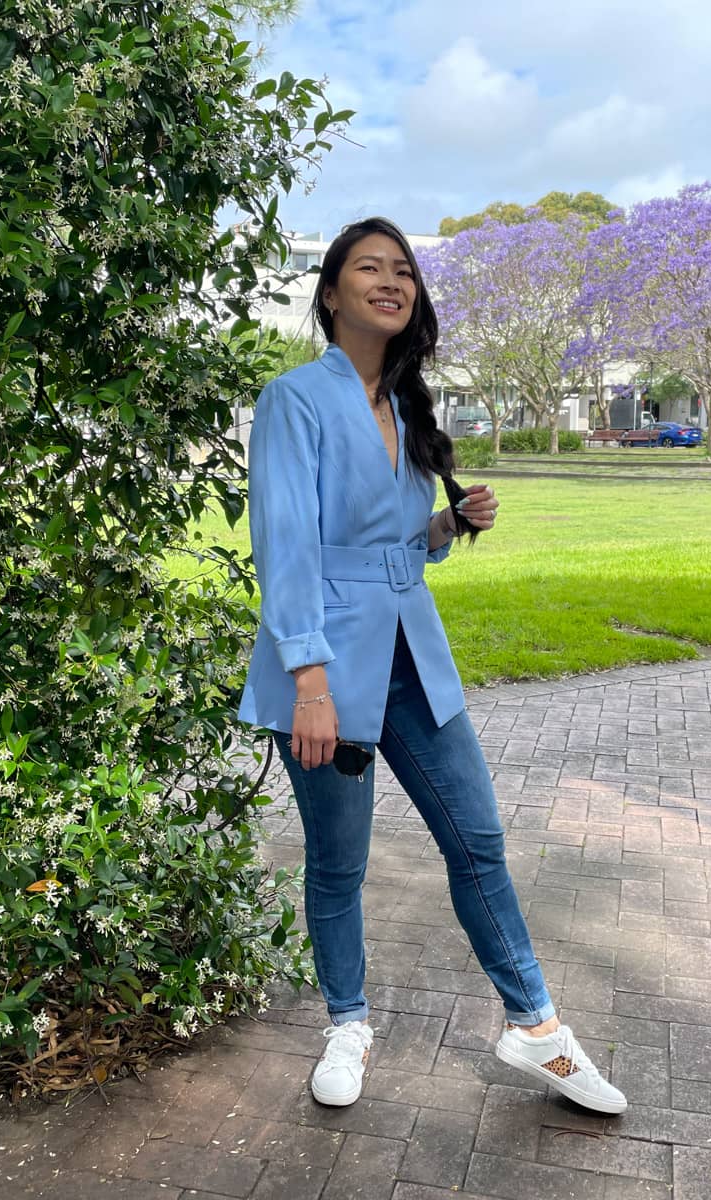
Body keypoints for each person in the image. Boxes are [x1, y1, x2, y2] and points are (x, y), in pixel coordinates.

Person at [237, 217, 627, 1116]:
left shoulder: (410, 405)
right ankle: (347, 1021)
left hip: (414, 653)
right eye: (369, 268)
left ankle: (534, 1028)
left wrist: (451, 525)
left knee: (479, 839)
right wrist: (309, 682)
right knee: (338, 862)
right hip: (327, 667)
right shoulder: (295, 399)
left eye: (403, 270)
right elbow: (287, 547)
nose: (391, 280)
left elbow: (396, 548)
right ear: (331, 293)